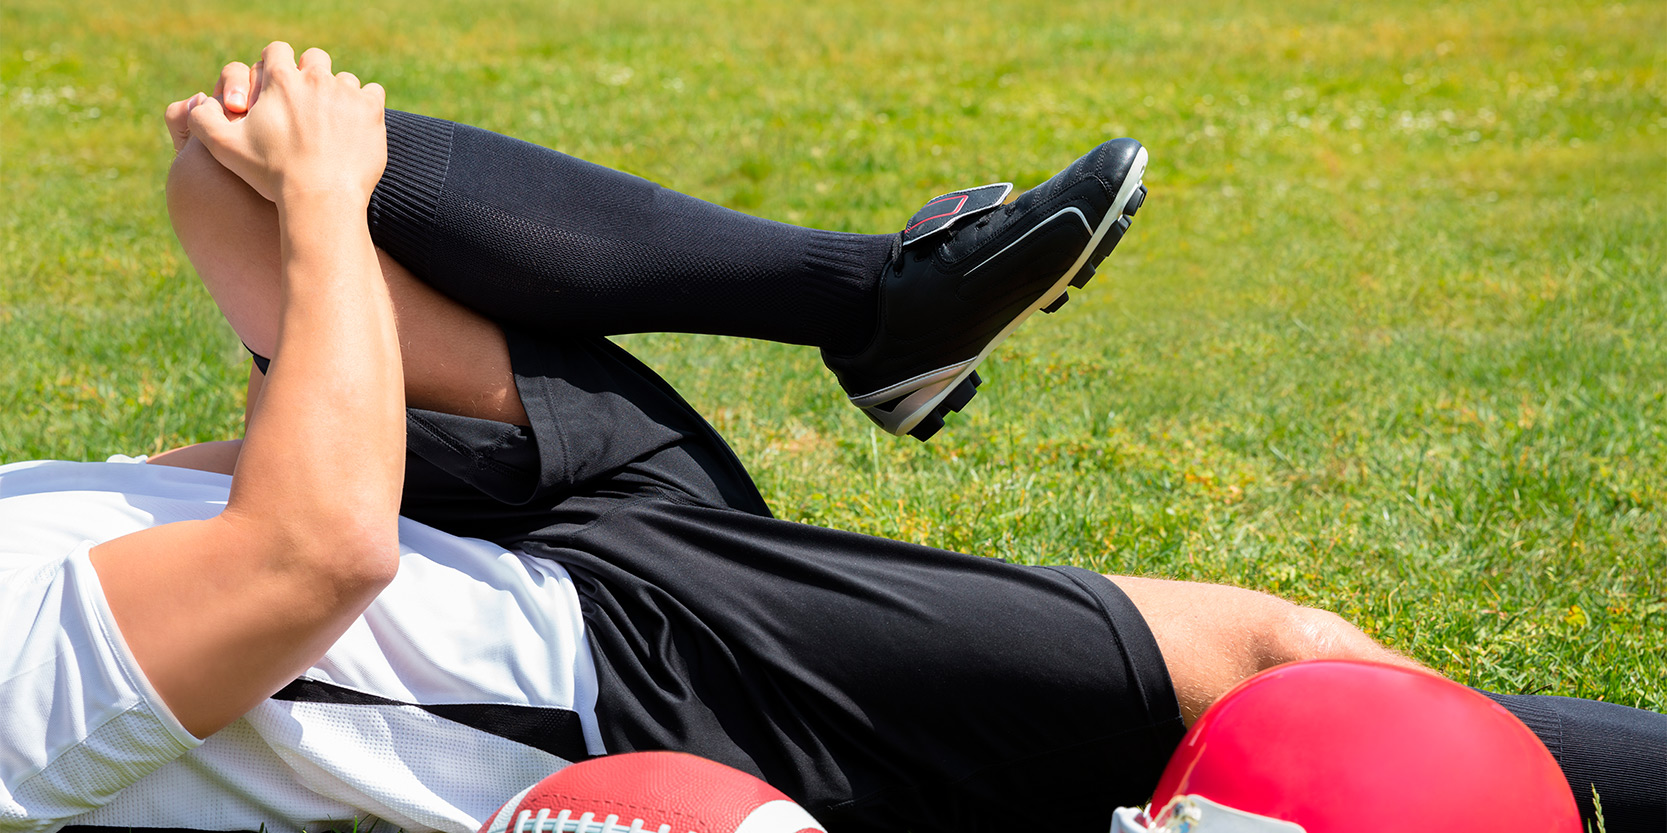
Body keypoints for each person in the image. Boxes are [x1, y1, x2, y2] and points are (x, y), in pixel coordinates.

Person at [1, 43, 1660, 833]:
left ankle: (881, 302)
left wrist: (298, 273)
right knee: (1277, 665)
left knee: (221, 167)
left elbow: (209, 519)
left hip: (524, 522)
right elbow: (313, 551)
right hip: (646, 669)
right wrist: (327, 219)